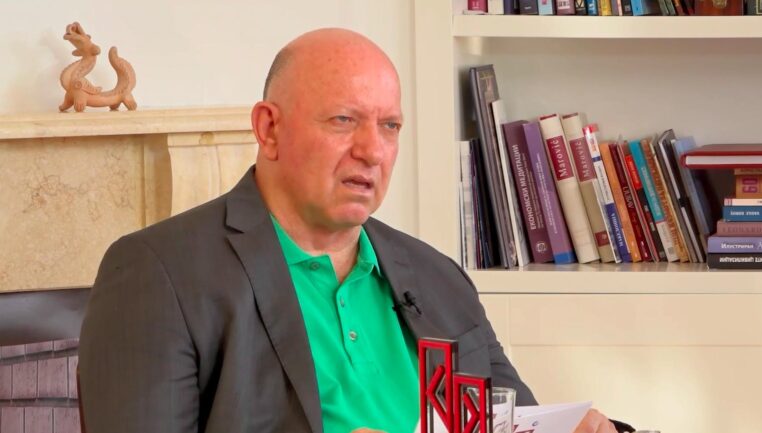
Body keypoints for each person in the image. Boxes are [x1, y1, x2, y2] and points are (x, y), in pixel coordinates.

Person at [79, 28, 619, 433]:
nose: (373, 150)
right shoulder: (159, 273)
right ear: (269, 128)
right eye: (343, 120)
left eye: (390, 126)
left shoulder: (438, 276)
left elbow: (516, 419)